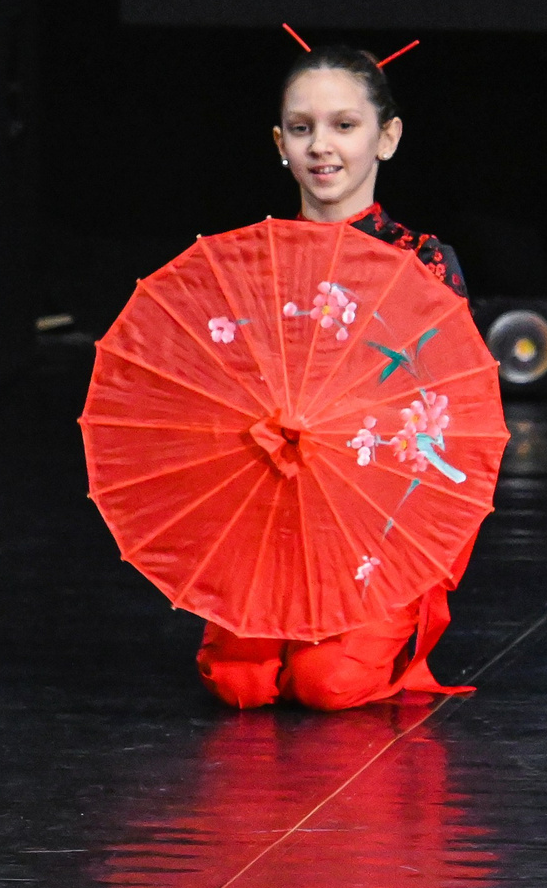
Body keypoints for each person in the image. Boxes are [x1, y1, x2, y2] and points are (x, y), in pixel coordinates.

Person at [194, 47, 474, 711]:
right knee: (238, 682)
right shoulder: (252, 262)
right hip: (276, 508)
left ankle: (379, 625)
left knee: (329, 683)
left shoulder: (422, 263)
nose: (321, 145)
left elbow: (449, 414)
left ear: (388, 137)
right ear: (280, 144)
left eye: (344, 126)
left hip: (376, 514)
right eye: (302, 128)